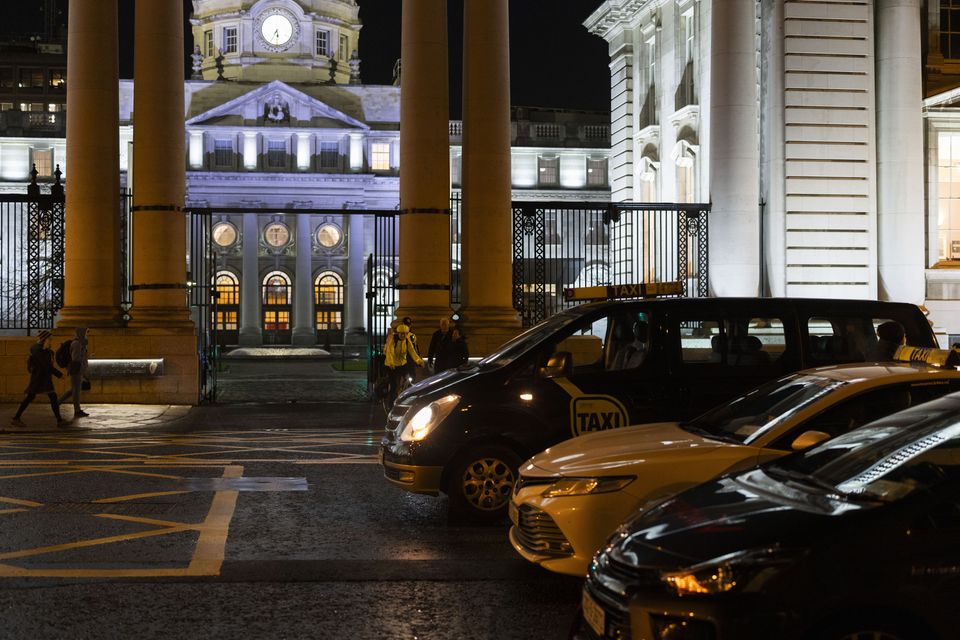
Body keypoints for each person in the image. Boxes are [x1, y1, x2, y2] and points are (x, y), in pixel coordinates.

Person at [11, 330, 66, 428]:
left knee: (50, 397)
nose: (51, 341)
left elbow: (48, 363)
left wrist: (48, 351)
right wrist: (59, 374)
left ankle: (59, 420)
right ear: (44, 339)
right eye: (50, 339)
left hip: (44, 379)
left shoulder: (46, 350)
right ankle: (16, 418)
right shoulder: (37, 350)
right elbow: (46, 365)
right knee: (32, 397)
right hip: (39, 379)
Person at [383, 318, 423, 406]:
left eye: (405, 334)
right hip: (392, 365)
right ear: (398, 333)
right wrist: (391, 363)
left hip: (403, 364)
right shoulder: (393, 340)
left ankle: (406, 396)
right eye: (402, 334)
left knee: (409, 378)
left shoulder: (407, 340)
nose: (404, 336)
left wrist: (418, 360)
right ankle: (391, 404)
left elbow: (413, 351)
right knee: (394, 386)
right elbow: (390, 352)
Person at [58, 326, 90, 418]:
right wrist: (83, 369)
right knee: (76, 391)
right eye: (85, 333)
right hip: (76, 371)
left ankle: (57, 403)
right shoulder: (77, 344)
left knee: (73, 390)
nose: (86, 335)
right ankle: (77, 410)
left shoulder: (81, 344)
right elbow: (75, 359)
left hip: (78, 370)